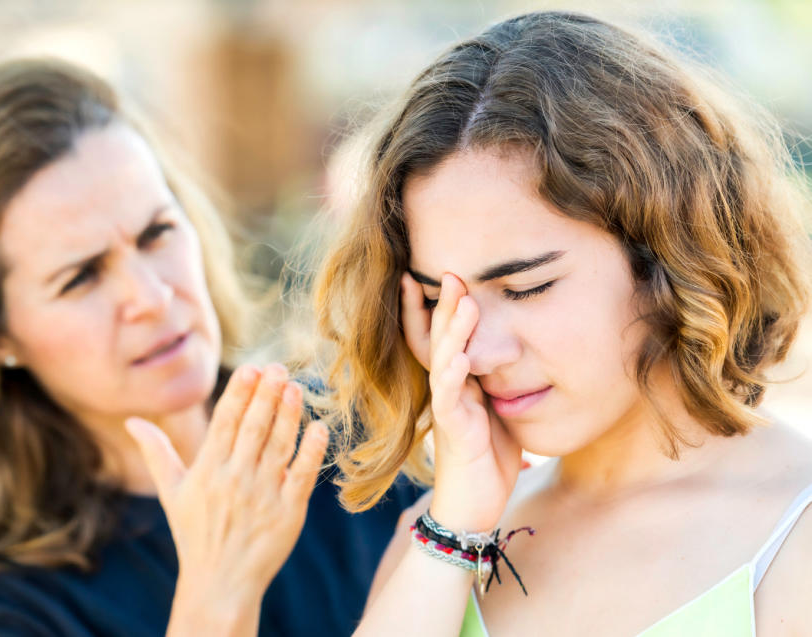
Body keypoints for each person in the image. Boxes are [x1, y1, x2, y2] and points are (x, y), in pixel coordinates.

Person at [0, 58, 420, 637]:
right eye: (80, 277)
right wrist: (219, 593)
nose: (150, 296)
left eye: (157, 234)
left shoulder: (357, 439)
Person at [315, 11, 812, 636]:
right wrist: (455, 529)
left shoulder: (794, 538)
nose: (477, 351)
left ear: (667, 255)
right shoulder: (439, 538)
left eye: (526, 287)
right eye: (441, 300)